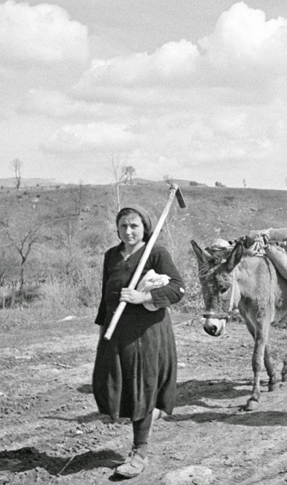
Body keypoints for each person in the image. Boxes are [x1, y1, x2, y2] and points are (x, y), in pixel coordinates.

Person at [92, 205, 185, 479]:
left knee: (141, 387)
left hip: (147, 334)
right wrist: (102, 331)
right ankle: (147, 420)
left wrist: (143, 298)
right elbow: (105, 297)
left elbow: (178, 288)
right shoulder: (111, 256)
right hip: (116, 332)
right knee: (112, 386)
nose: (129, 231)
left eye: (134, 226)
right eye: (123, 226)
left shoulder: (155, 252)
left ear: (145, 227)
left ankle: (139, 452)